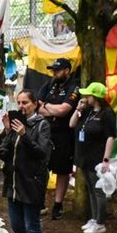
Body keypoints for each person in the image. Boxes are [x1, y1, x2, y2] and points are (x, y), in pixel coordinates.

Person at [0, 90, 52, 233]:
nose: (21, 106)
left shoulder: (42, 125)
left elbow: (41, 153)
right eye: (18, 102)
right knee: (17, 224)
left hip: (31, 184)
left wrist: (24, 135)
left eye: (25, 102)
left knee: (31, 225)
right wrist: (8, 132)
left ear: (35, 104)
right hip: (14, 183)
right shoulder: (15, 124)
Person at [70, 82, 116, 233]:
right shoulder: (88, 111)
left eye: (88, 95)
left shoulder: (107, 114)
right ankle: (94, 218)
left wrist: (106, 160)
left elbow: (110, 137)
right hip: (84, 157)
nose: (85, 97)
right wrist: (78, 108)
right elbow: (72, 124)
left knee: (98, 191)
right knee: (90, 189)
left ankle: (100, 222)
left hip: (97, 158)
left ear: (95, 97)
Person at [37, 58, 80, 219]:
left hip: (64, 134)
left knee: (62, 170)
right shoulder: (50, 83)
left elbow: (64, 110)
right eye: (53, 70)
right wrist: (51, 109)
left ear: (67, 70)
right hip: (46, 133)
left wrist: (46, 106)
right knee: (42, 167)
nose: (54, 73)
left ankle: (58, 204)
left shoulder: (74, 86)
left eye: (58, 70)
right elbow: (36, 106)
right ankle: (40, 203)